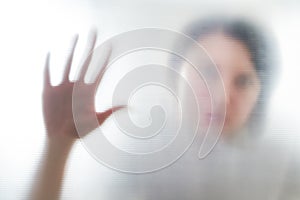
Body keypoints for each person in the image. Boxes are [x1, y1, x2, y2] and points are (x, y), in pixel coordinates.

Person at [29, 16, 299, 200]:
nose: (222, 95)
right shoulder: (141, 157)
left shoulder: (285, 164)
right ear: (176, 75)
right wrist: (58, 148)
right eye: (206, 72)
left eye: (243, 80)